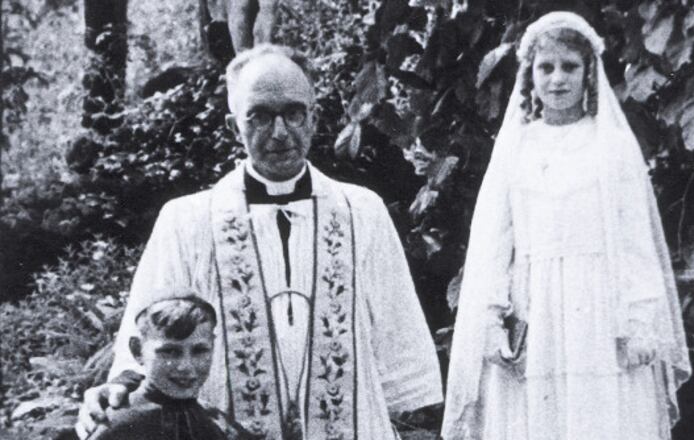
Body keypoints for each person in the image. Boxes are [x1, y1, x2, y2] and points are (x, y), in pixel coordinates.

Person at [76, 43, 443, 440]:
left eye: (293, 113)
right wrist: (120, 389)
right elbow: (149, 327)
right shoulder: (187, 219)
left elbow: (399, 337)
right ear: (235, 126)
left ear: (314, 118)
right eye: (261, 116)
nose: (280, 132)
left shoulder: (362, 211)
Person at [442, 11, 691, 440]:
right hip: (534, 307)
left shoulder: (609, 146)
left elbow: (634, 237)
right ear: (530, 75)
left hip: (598, 308)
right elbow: (496, 241)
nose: (558, 79)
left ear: (589, 73)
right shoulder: (517, 146)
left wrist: (640, 318)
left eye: (570, 67)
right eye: (546, 68)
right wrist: (489, 317)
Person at [88, 293, 250, 440]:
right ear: (137, 350)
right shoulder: (118, 423)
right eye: (170, 351)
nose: (186, 366)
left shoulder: (221, 427)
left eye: (199, 350)